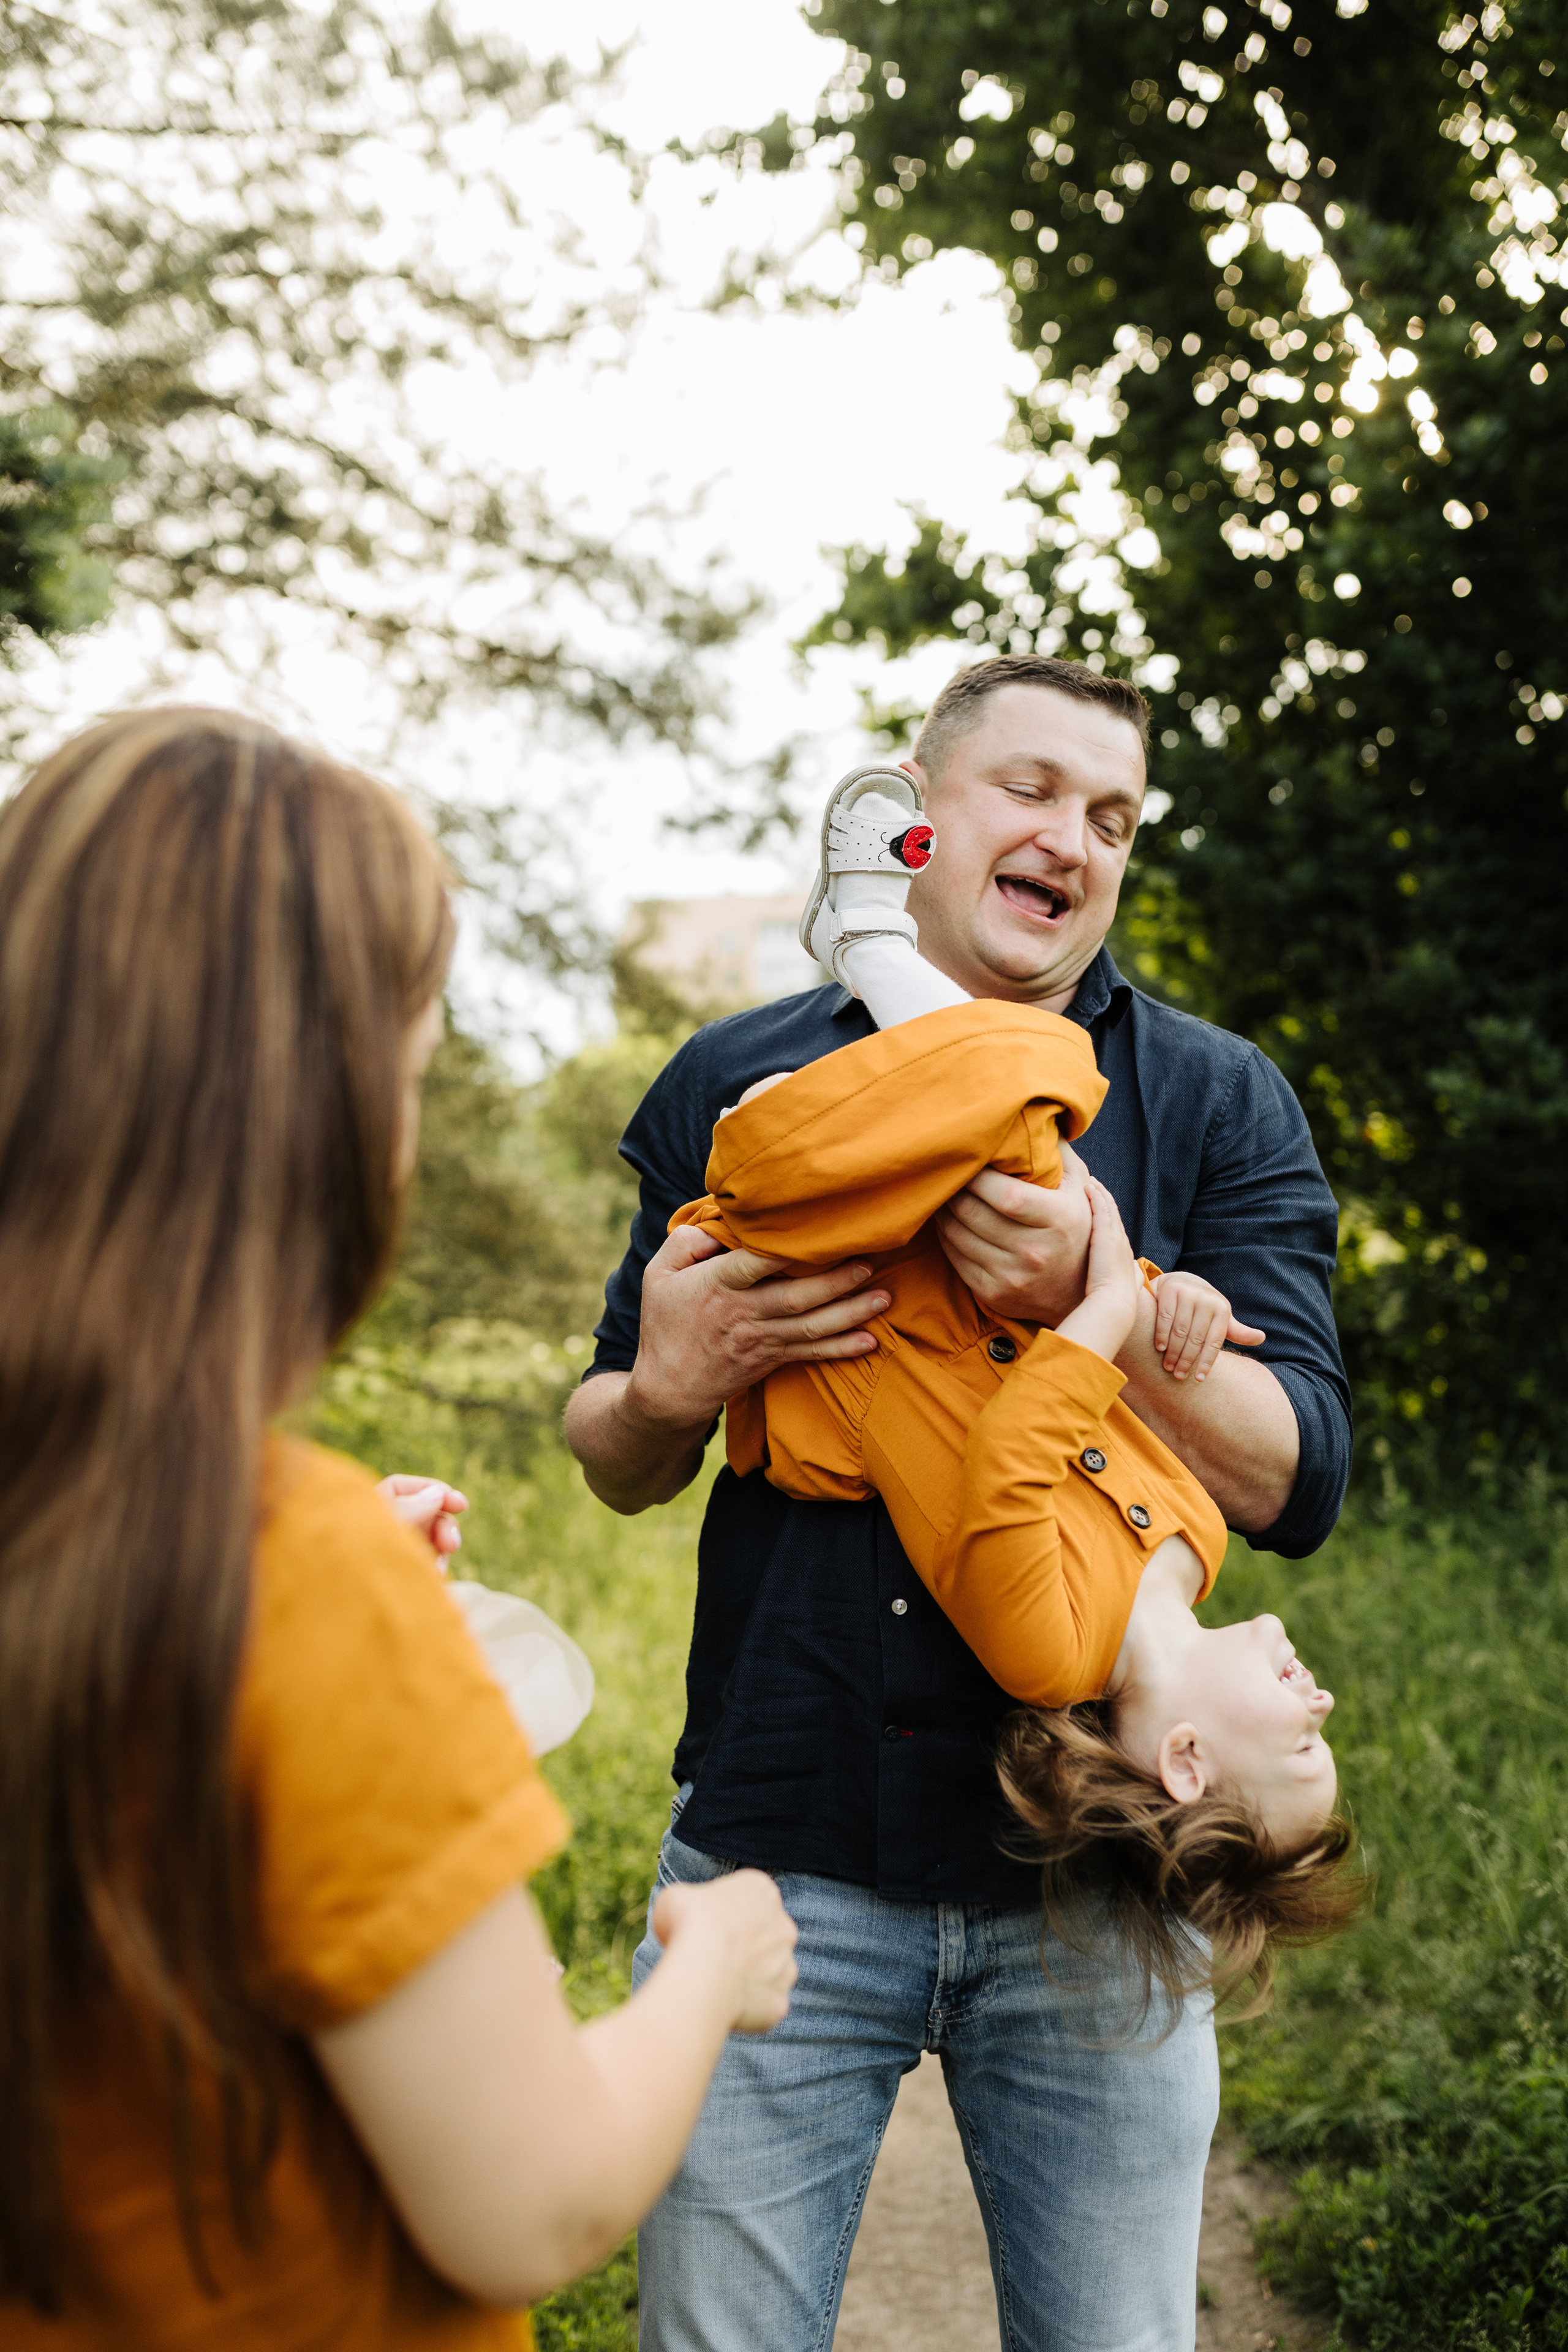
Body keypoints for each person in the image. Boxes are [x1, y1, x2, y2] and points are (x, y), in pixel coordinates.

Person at [564, 653, 1353, 2352]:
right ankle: (915, 1014)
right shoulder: (733, 1072)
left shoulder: (1218, 1099)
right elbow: (615, 1447)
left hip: (1089, 1909)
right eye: (1037, 790)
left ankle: (912, 1010)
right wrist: (669, 1384)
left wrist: (1115, 1300)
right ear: (925, 803)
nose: (1077, 836)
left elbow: (1299, 1470)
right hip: (783, 1841)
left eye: (1115, 817)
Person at [0, 707, 798, 2349]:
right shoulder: (286, 1580)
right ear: (311, 1124)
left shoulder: (130, 1536)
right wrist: (713, 1960)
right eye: (412, 1076)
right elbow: (536, 2195)